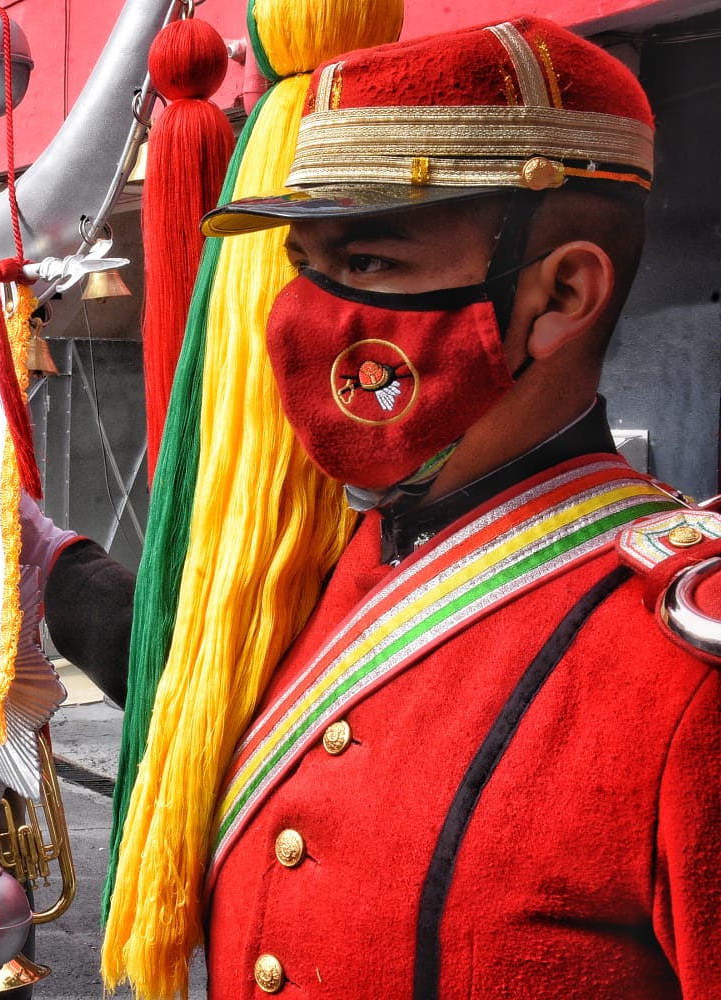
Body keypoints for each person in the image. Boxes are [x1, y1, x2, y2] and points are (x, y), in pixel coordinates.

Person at [50, 16, 721, 999]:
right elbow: (202, 689)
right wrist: (48, 567)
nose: (304, 315)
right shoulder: (345, 549)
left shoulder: (681, 674)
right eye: (301, 266)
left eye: (365, 265)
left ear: (560, 293)